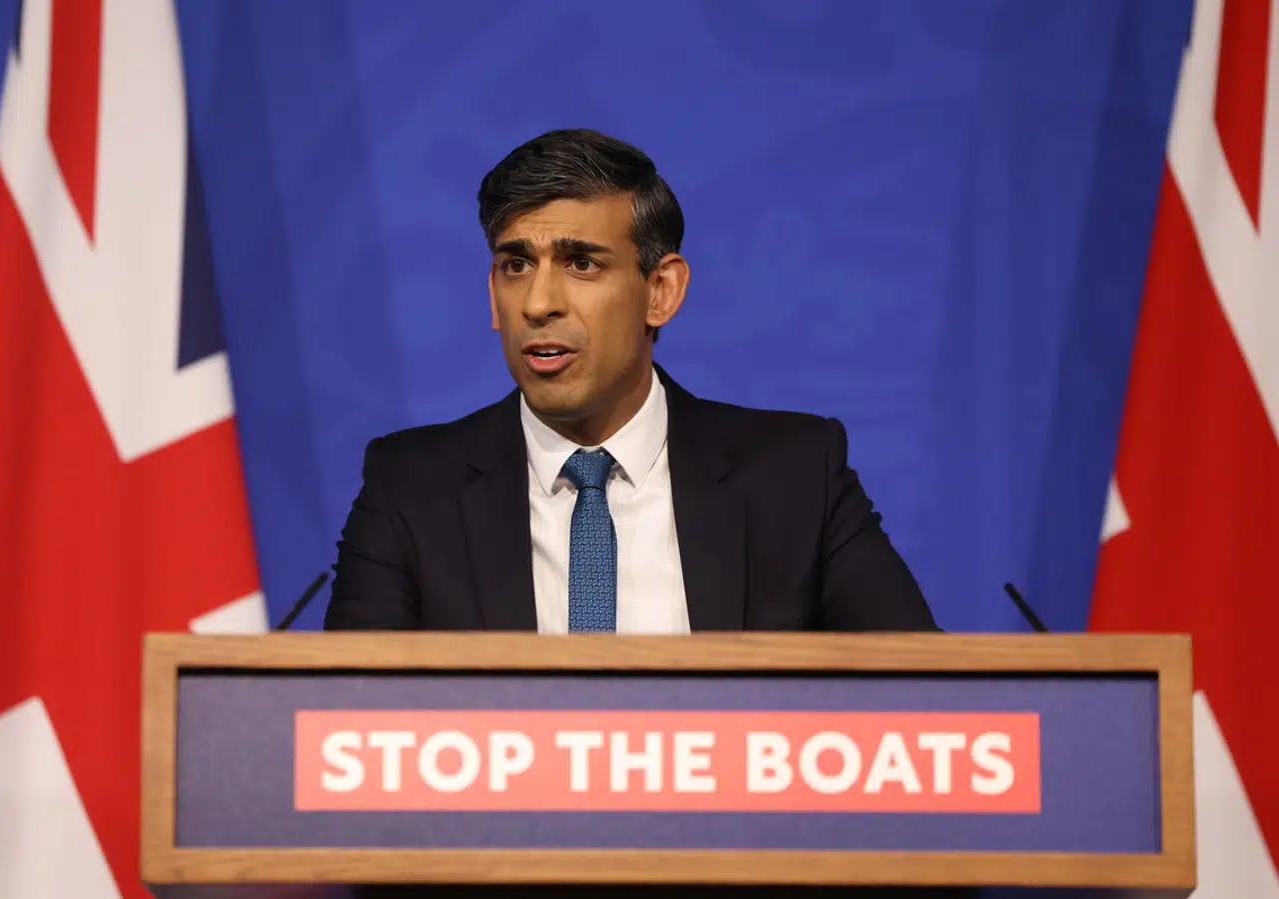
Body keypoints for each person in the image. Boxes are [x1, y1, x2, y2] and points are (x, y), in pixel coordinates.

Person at [323, 128, 936, 633]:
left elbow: (924, 698)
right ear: (492, 294)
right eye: (516, 265)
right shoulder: (410, 489)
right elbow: (348, 716)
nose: (537, 303)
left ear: (661, 291)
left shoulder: (795, 477)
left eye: (581, 263)